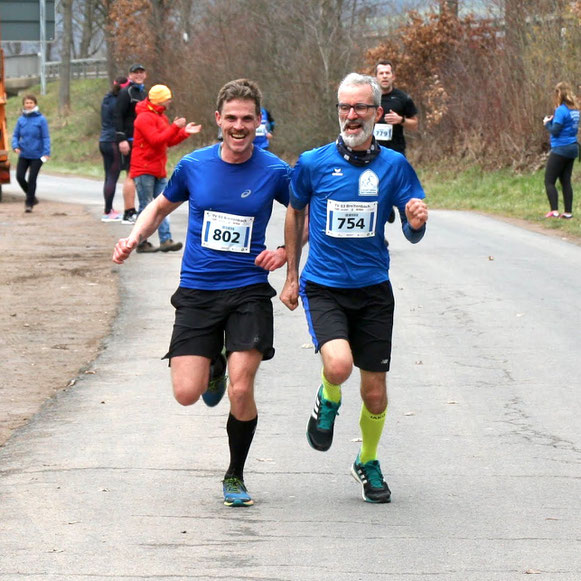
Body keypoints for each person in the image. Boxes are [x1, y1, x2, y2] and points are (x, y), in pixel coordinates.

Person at [113, 78, 291, 507]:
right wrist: (135, 237)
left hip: (248, 290)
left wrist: (285, 251)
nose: (239, 125)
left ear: (258, 123)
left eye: (248, 119)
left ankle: (235, 474)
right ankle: (212, 361)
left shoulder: (275, 171)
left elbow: (302, 212)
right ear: (218, 120)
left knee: (242, 389)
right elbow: (159, 206)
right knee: (186, 393)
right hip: (198, 291)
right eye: (231, 118)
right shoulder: (194, 165)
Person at [281, 72, 428, 504]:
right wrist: (292, 275)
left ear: (377, 113)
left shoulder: (394, 166)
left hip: (373, 290)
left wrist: (416, 222)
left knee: (376, 392)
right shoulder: (313, 162)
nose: (351, 115)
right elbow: (294, 214)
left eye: (360, 107)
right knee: (339, 366)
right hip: (324, 286)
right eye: (344, 107)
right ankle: (327, 399)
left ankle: (366, 461)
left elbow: (412, 226)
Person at [130, 84, 201, 253]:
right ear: (161, 100)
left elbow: (167, 141)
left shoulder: (161, 117)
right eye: (168, 99)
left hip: (158, 168)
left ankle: (165, 240)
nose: (170, 102)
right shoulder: (143, 118)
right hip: (143, 168)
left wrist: (184, 132)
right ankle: (141, 242)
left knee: (163, 206)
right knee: (146, 206)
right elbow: (155, 140)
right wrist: (176, 127)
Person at [115, 63, 148, 224]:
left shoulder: (144, 93)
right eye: (135, 73)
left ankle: (137, 210)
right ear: (130, 75)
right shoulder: (125, 92)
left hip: (143, 140)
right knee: (130, 174)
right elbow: (118, 116)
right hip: (129, 139)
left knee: (138, 175)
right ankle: (128, 211)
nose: (139, 75)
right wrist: (121, 139)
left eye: (141, 72)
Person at [543, 81, 579, 219]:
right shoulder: (575, 110)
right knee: (565, 181)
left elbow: (556, 131)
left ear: (559, 93)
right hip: (573, 148)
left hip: (560, 149)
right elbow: (568, 128)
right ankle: (568, 213)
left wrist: (547, 123)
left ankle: (554, 211)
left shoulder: (561, 110)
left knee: (549, 181)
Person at [11, 94, 51, 213]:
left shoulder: (41, 119)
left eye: (31, 103)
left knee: (32, 179)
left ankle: (29, 204)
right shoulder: (21, 120)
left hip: (37, 156)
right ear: (24, 105)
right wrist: (15, 146)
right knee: (19, 177)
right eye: (27, 103)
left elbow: (46, 137)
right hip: (24, 154)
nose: (29, 105)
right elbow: (15, 135)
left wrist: (46, 152)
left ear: (35, 104)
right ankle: (32, 197)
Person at [99, 76, 129, 222]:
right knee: (113, 176)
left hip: (103, 140)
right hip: (112, 141)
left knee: (108, 176)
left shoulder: (107, 98)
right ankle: (108, 211)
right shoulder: (119, 102)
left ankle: (108, 209)